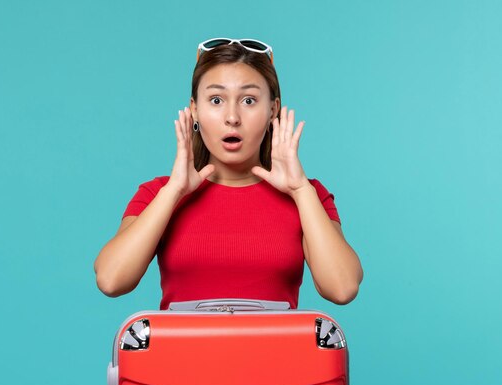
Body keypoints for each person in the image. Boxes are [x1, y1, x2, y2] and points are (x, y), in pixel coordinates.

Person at [94, 38, 363, 309]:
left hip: (278, 352)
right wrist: (174, 191)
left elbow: (342, 288)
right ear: (195, 110)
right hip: (180, 352)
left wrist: (300, 190)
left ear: (273, 110)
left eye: (249, 100)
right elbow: (111, 280)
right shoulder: (158, 193)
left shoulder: (307, 194)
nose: (232, 117)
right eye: (216, 100)